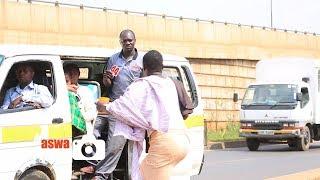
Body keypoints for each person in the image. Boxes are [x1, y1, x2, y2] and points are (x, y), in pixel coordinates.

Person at [98, 50, 189, 180]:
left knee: (144, 173)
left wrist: (105, 106)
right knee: (145, 170)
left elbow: (123, 106)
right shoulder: (170, 83)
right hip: (183, 141)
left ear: (144, 68)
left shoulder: (143, 85)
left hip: (164, 143)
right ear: (162, 67)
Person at [87, 29, 143, 179]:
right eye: (124, 40)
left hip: (130, 108)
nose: (128, 43)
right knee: (92, 131)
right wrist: (107, 78)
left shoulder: (142, 60)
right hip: (113, 105)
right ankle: (90, 163)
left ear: (135, 40)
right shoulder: (113, 59)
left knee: (115, 143)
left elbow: (146, 84)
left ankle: (101, 175)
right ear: (120, 42)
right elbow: (107, 84)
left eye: (130, 40)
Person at [63, 63, 97, 134]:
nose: (71, 76)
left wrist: (77, 117)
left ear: (78, 75)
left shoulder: (85, 91)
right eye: (69, 73)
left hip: (81, 128)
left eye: (74, 73)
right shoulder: (58, 90)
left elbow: (92, 112)